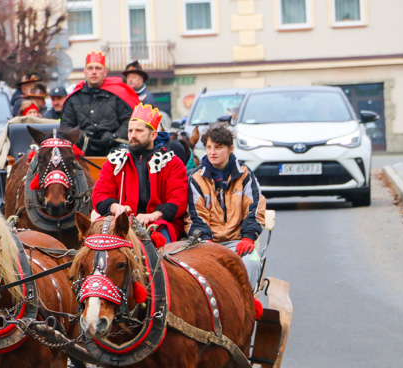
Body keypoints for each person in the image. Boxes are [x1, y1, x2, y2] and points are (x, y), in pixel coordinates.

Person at [91, 103, 188, 243]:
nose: (133, 135)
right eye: (130, 131)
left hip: (159, 224)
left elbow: (178, 199)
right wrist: (114, 207)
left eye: (139, 131)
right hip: (119, 222)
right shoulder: (115, 161)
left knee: (161, 245)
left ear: (153, 134)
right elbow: (100, 194)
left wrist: (155, 215)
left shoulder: (172, 163)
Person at [187, 123, 266, 292]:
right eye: (208, 147)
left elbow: (255, 208)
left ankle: (247, 306)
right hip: (206, 243)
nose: (212, 152)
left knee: (251, 262)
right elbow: (194, 216)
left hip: (238, 242)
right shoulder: (196, 178)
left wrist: (248, 237)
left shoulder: (245, 175)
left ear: (231, 149)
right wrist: (205, 241)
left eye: (218, 147)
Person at [60, 51, 141, 156]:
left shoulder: (117, 96)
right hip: (81, 150)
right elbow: (66, 126)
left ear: (105, 72)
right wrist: (80, 135)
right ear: (85, 72)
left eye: (98, 68)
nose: (94, 72)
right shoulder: (73, 98)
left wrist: (114, 137)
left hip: (114, 148)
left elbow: (129, 121)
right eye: (90, 68)